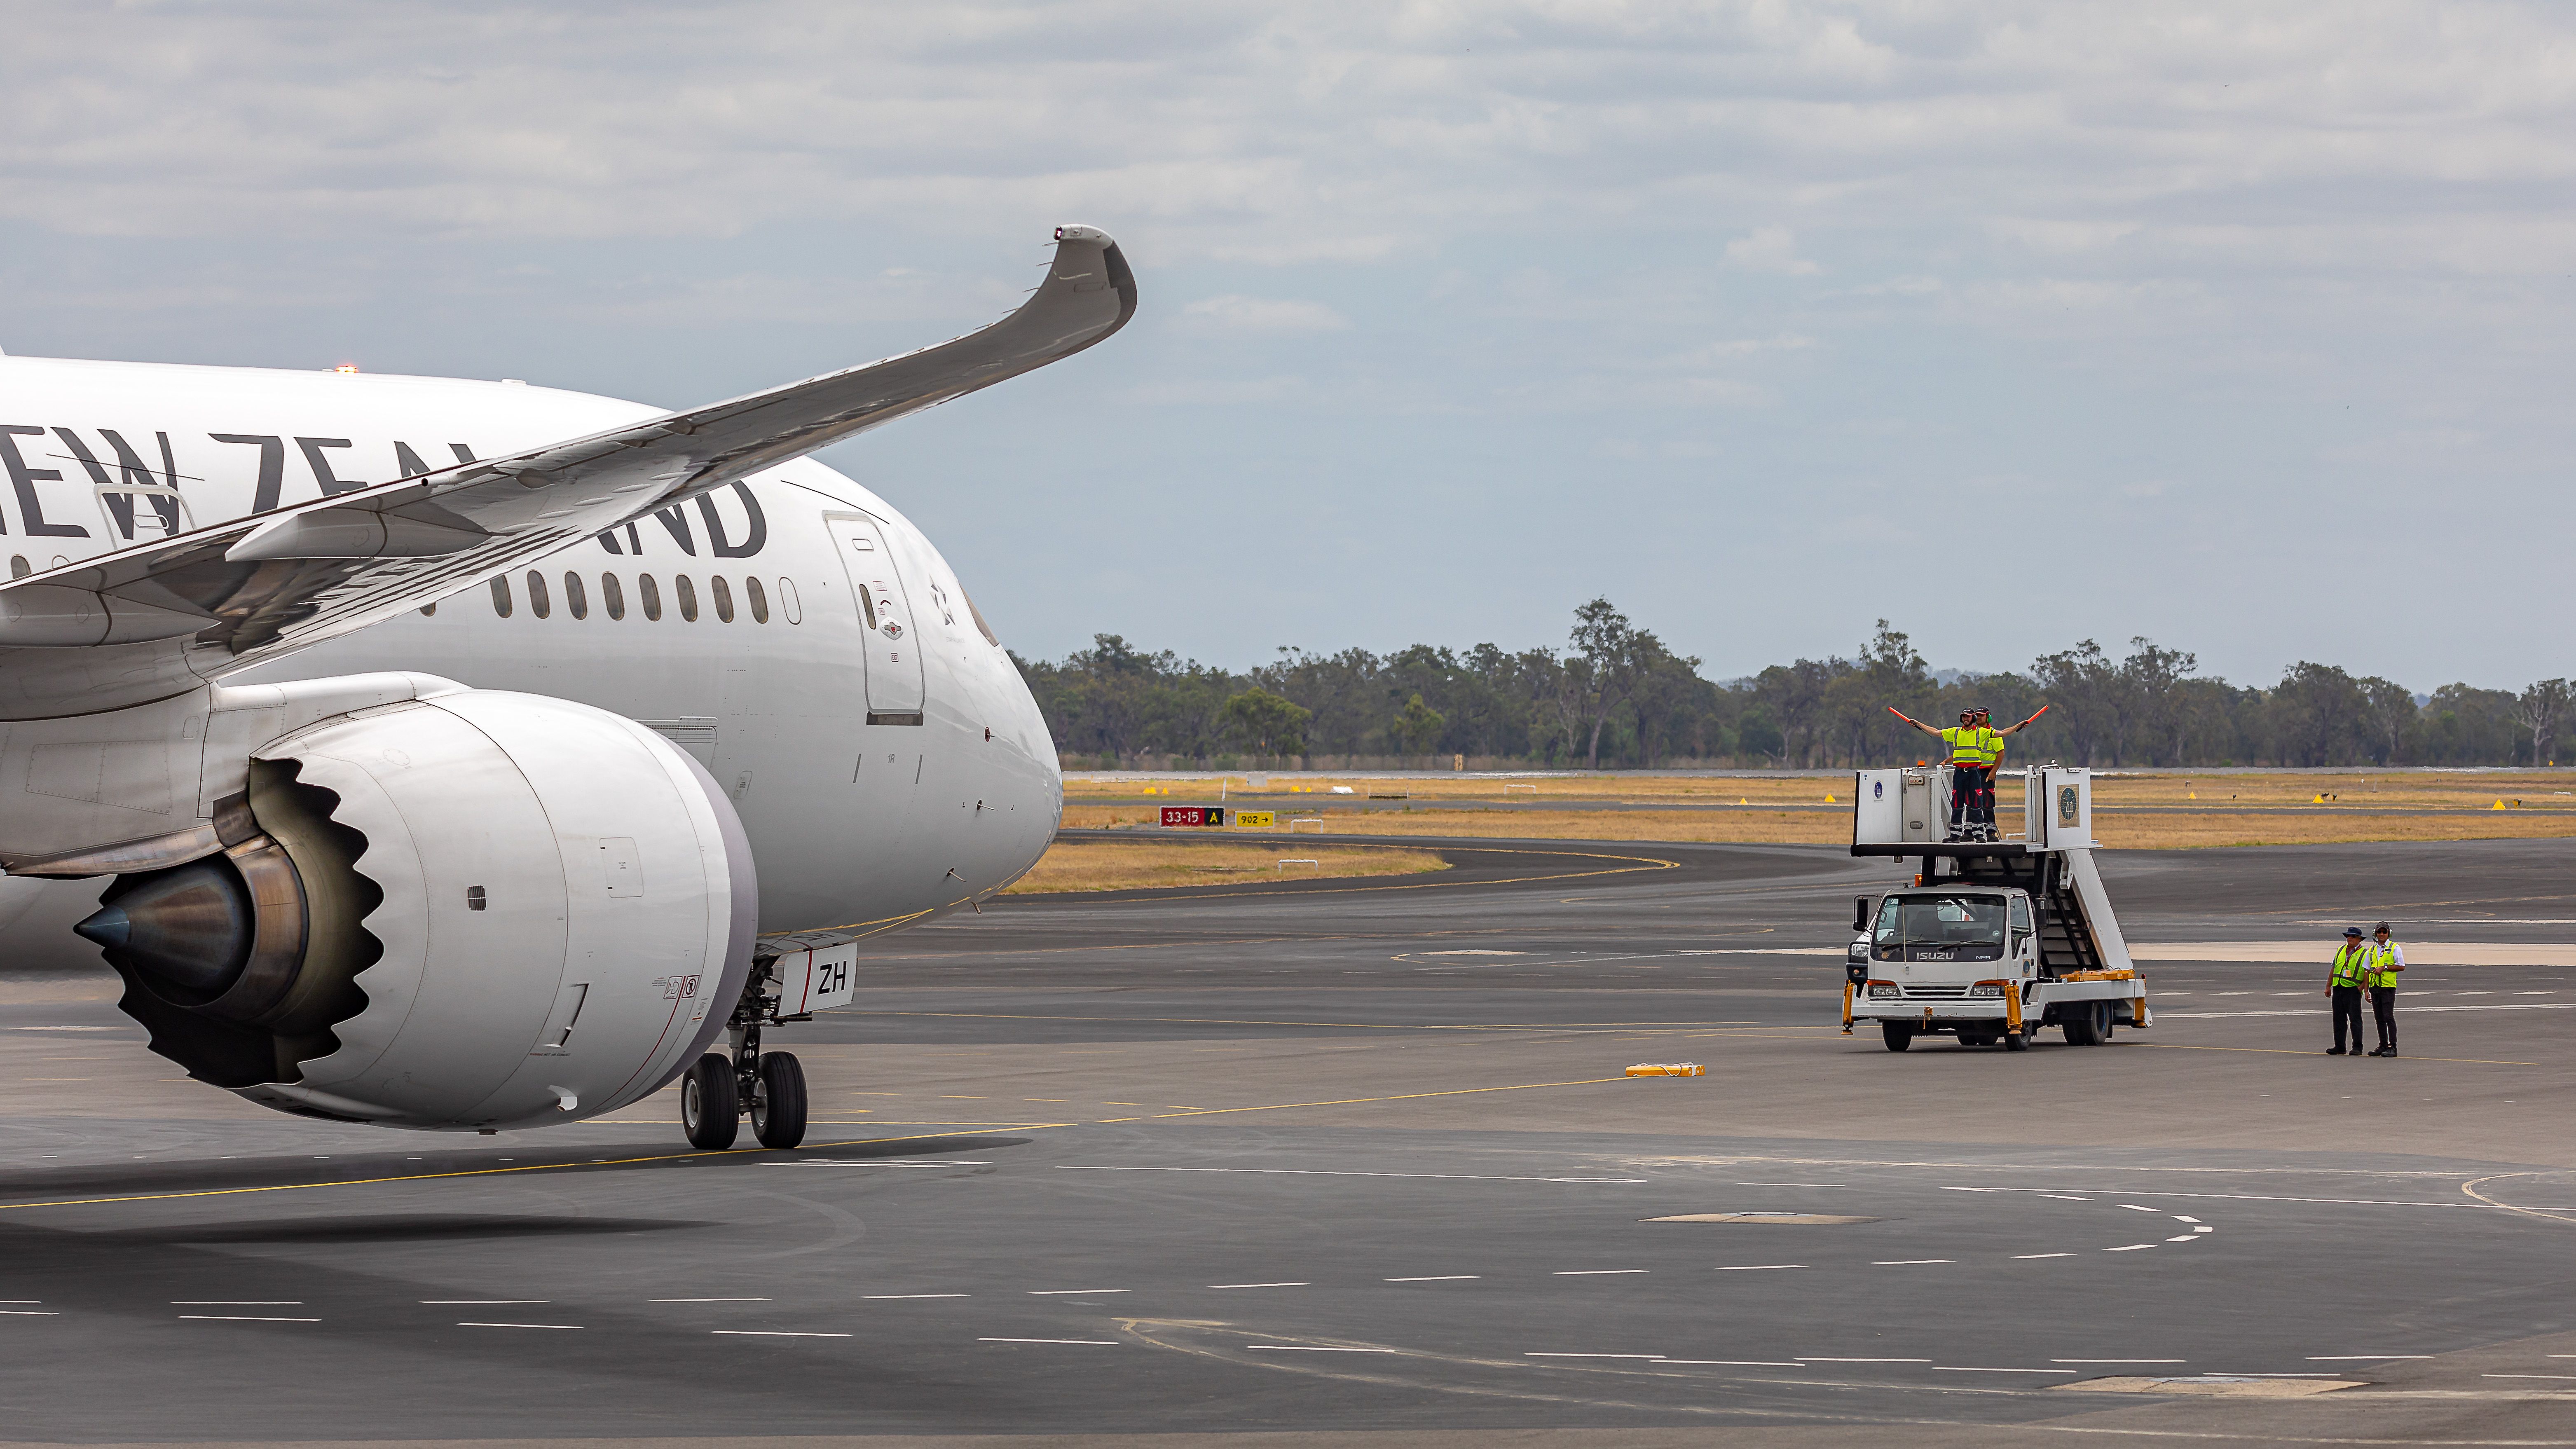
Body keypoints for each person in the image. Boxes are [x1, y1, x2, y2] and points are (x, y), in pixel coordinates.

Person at [1887, 704, 2049, 842]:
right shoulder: (1956, 733)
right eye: (1964, 717)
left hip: (1975, 772)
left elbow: (2003, 733)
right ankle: (1956, 834)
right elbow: (1936, 733)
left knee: (1978, 803)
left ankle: (1981, 835)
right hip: (1960, 773)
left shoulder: (1982, 733)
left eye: (1969, 717)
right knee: (1957, 803)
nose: (1966, 719)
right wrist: (1919, 725)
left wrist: (2019, 726)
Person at [2326, 926, 2372, 1056]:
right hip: (2338, 988)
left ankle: (2357, 1047)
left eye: (2353, 936)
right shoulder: (2341, 950)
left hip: (2353, 990)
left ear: (2359, 939)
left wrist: (2361, 989)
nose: (2349, 938)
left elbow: (2368, 973)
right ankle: (2340, 1046)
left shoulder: (2365, 954)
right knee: (2338, 1020)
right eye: (2348, 936)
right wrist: (2328, 986)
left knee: (2355, 1020)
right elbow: (2333, 968)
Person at [2367, 921, 2405, 1057]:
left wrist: (2385, 968)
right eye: (2379, 932)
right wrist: (2366, 990)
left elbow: (2401, 966)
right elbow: (2367, 970)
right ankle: (2383, 1045)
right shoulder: (2371, 950)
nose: (2382, 934)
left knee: (2388, 1016)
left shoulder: (2395, 948)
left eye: (2385, 932)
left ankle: (2393, 1047)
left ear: (2389, 933)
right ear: (2375, 934)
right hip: (2375, 987)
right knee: (2379, 1018)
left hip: (2388, 987)